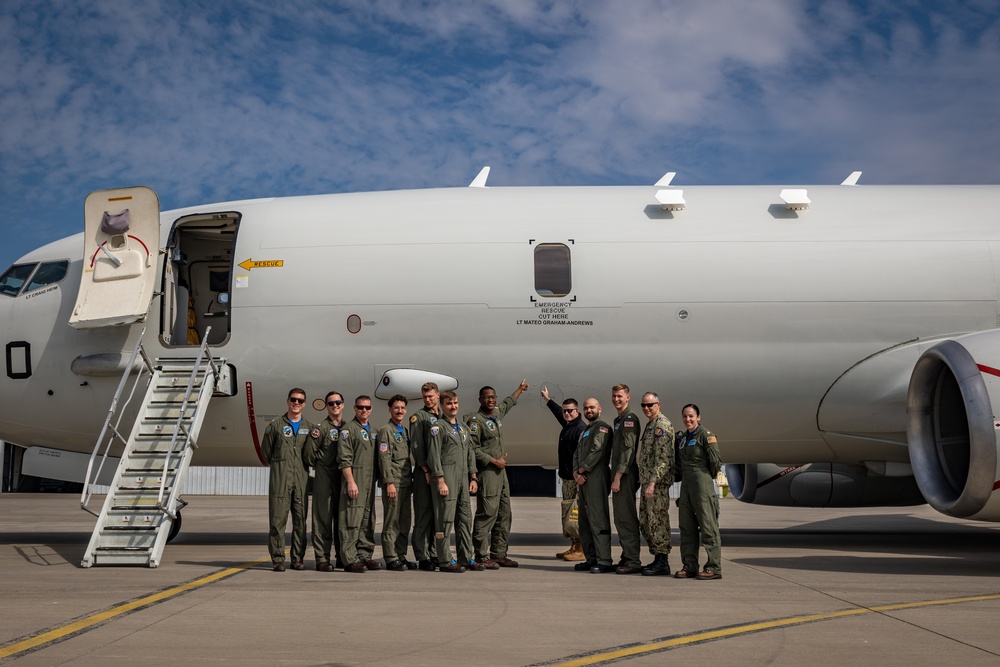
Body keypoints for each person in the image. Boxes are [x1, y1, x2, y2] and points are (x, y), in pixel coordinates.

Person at [466, 380, 528, 569]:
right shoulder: (476, 421)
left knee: (504, 514)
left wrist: (519, 390)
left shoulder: (496, 414)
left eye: (493, 397)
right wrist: (494, 461)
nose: (491, 400)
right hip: (488, 472)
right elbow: (472, 449)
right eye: (487, 397)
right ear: (480, 399)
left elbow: (507, 404)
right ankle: (481, 555)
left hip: (501, 474)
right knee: (487, 514)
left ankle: (499, 554)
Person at [261, 388, 315, 572]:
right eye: (293, 399)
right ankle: (277, 559)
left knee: (300, 521)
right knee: (277, 521)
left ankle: (297, 559)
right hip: (280, 480)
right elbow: (266, 452)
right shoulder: (275, 426)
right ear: (288, 401)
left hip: (300, 480)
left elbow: (310, 454)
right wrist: (281, 467)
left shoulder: (310, 427)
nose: (296, 403)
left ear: (304, 404)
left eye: (300, 400)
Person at [427, 390, 479, 572]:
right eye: (449, 403)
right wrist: (440, 480)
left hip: (463, 480)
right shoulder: (438, 428)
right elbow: (433, 456)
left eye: (455, 403)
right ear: (441, 405)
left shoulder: (463, 427)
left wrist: (473, 477)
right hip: (447, 478)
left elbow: (470, 453)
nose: (453, 406)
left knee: (465, 519)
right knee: (445, 520)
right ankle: (445, 560)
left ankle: (466, 557)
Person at [674, 403, 723, 580]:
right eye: (685, 416)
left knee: (708, 527)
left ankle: (713, 567)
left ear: (698, 417)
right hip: (686, 486)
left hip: (702, 484)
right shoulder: (683, 439)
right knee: (686, 528)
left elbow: (715, 462)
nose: (688, 419)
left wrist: (703, 479)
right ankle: (689, 565)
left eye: (691, 416)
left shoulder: (706, 436)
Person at [541, 386, 587, 561]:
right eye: (565, 411)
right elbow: (558, 413)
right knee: (569, 512)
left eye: (570, 411)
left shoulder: (580, 429)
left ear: (577, 411)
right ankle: (575, 545)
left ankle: (581, 548)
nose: (566, 414)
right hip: (568, 478)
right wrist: (548, 400)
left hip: (576, 480)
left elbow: (583, 455)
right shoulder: (569, 424)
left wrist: (579, 476)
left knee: (576, 513)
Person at [337, 395, 382, 573]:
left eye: (367, 408)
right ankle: (349, 558)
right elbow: (344, 458)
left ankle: (365, 555)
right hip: (356, 480)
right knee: (351, 520)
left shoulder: (373, 431)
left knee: (367, 520)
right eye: (360, 407)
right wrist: (350, 482)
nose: (364, 410)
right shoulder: (349, 430)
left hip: (369, 482)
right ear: (354, 409)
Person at [304, 390, 346, 571]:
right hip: (325, 476)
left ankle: (343, 556)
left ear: (343, 404)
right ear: (326, 407)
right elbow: (308, 455)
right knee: (323, 518)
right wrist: (321, 467)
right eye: (331, 403)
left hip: (343, 477)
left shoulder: (348, 428)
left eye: (338, 402)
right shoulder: (319, 429)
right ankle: (322, 558)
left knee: (343, 519)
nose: (335, 406)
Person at [572, 398, 614, 573]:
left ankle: (604, 560)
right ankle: (591, 558)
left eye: (592, 407)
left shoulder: (602, 428)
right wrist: (575, 472)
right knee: (584, 521)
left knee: (598, 519)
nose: (589, 410)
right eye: (586, 408)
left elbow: (597, 451)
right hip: (583, 479)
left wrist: (582, 470)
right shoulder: (585, 431)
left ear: (600, 409)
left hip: (595, 478)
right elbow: (577, 453)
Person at [637, 392, 675, 576]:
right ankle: (657, 557)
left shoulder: (662, 425)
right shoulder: (650, 425)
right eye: (643, 405)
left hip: (656, 484)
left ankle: (662, 561)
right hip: (647, 482)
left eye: (650, 405)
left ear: (658, 404)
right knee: (645, 521)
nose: (646, 408)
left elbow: (664, 460)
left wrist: (652, 482)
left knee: (658, 520)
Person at [377, 394, 415, 571]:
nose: (400, 411)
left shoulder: (404, 431)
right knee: (392, 522)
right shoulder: (386, 430)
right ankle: (391, 557)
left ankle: (401, 555)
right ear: (390, 409)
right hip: (394, 483)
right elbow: (384, 458)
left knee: (405, 522)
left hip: (406, 483)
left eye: (402, 408)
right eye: (396, 408)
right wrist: (389, 482)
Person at [609, 383, 642, 574]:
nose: (616, 399)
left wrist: (618, 477)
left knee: (626, 517)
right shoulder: (619, 419)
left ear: (628, 398)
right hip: (619, 474)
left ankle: (633, 561)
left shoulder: (630, 420)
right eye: (614, 396)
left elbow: (628, 451)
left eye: (620, 396)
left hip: (625, 475)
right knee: (620, 517)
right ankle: (626, 556)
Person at [409, 382, 441, 571]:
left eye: (430, 396)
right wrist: (426, 471)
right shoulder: (418, 417)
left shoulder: (443, 416)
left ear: (438, 395)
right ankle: (422, 556)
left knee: (437, 516)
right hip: (424, 474)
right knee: (423, 515)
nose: (428, 400)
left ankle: (434, 553)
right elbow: (416, 446)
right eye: (425, 397)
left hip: (438, 474)